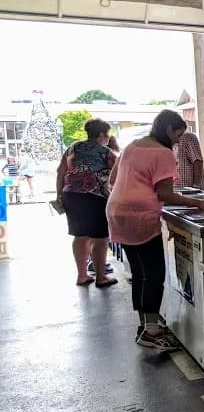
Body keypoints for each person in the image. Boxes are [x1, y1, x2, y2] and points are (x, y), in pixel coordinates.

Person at [107, 110, 204, 351]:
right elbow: (164, 194)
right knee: (154, 273)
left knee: (139, 272)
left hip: (117, 212)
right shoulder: (163, 153)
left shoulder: (133, 146)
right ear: (167, 130)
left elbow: (113, 180)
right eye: (177, 134)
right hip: (140, 217)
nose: (178, 140)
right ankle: (152, 331)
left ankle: (145, 325)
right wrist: (199, 203)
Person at [56, 119, 118, 287]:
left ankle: (82, 275)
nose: (108, 138)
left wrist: (59, 195)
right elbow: (116, 177)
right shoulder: (106, 153)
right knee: (100, 238)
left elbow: (61, 171)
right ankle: (100, 277)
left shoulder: (73, 147)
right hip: (95, 195)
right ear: (101, 135)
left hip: (71, 195)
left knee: (80, 235)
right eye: (107, 135)